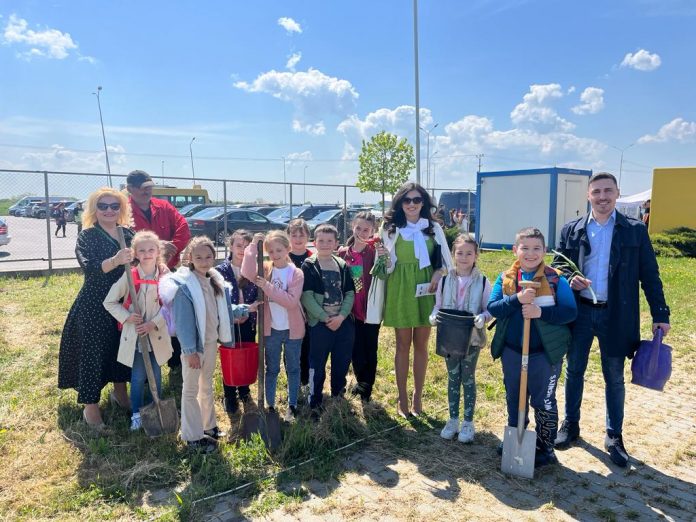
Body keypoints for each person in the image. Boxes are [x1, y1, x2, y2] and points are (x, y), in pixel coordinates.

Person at [553, 172, 670, 467]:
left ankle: (614, 435)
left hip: (616, 314)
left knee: (614, 377)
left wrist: (660, 313)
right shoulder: (572, 229)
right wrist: (569, 277)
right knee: (574, 370)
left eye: (608, 191)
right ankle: (571, 425)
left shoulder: (634, 230)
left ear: (617, 193)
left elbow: (650, 274)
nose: (602, 197)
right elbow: (557, 266)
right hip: (580, 313)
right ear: (588, 196)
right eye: (596, 192)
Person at [488, 227, 577, 468]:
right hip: (512, 351)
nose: (530, 253)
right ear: (515, 250)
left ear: (545, 250)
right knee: (514, 397)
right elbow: (493, 307)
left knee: (543, 400)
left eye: (536, 248)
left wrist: (540, 312)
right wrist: (516, 299)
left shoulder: (556, 279)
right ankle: (515, 437)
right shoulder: (506, 278)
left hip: (543, 354)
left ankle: (545, 447)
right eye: (524, 248)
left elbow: (570, 312)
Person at [159, 237, 254, 451]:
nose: (204, 261)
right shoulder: (184, 286)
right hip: (194, 347)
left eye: (208, 257)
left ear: (214, 257)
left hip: (210, 342)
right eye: (199, 257)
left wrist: (243, 309)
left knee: (206, 384)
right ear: (190, 258)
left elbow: (220, 310)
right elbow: (183, 323)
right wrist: (190, 351)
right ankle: (192, 435)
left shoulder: (214, 280)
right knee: (190, 389)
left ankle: (208, 426)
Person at [58, 187, 134, 428]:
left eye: (114, 206)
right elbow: (89, 268)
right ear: (94, 209)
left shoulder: (128, 234)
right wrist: (116, 260)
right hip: (95, 302)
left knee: (121, 347)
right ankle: (90, 407)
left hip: (123, 300)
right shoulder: (87, 236)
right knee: (93, 351)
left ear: (121, 209)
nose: (109, 210)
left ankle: (120, 393)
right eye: (103, 206)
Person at [381, 181, 452, 418]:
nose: (412, 204)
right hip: (400, 289)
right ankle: (401, 397)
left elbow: (445, 262)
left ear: (424, 203)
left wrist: (438, 273)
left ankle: (417, 396)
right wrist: (384, 259)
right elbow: (386, 266)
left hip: (427, 288)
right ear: (400, 203)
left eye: (417, 200)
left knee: (421, 345)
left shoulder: (433, 228)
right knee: (402, 345)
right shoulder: (390, 228)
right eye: (407, 200)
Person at [103, 231, 172, 431]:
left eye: (151, 250)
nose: (147, 254)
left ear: (158, 251)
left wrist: (153, 323)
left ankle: (155, 409)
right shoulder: (130, 276)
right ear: (135, 253)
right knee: (138, 376)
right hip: (137, 337)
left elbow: (171, 306)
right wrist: (127, 317)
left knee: (156, 374)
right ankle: (136, 413)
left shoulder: (165, 276)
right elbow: (109, 302)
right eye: (142, 250)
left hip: (156, 334)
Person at [126, 170, 191, 373]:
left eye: (150, 187)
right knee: (145, 317)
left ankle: (175, 362)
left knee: (172, 313)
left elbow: (183, 227)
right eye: (142, 188)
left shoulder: (164, 206)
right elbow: (126, 241)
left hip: (167, 270)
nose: (148, 191)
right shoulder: (123, 211)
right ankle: (144, 368)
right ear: (130, 189)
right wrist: (158, 247)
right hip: (140, 274)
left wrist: (172, 247)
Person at [429, 234, 492, 442]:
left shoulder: (483, 282)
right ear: (453, 254)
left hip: (471, 339)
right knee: (453, 377)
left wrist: (483, 317)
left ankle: (468, 422)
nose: (464, 257)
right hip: (449, 338)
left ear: (476, 256)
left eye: (469, 253)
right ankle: (453, 419)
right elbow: (438, 305)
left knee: (468, 377)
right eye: (460, 253)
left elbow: (489, 308)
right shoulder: (445, 280)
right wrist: (434, 315)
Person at [242, 231, 305, 422]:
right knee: (272, 368)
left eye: (279, 250)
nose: (275, 254)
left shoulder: (296, 273)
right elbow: (247, 271)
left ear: (288, 249)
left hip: (292, 330)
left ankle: (292, 405)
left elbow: (291, 302)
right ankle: (270, 405)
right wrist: (253, 245)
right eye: (270, 251)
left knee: (293, 368)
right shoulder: (265, 270)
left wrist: (267, 287)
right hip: (271, 330)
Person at [301, 224, 356, 415]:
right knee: (317, 364)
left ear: (336, 243)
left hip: (342, 322)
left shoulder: (342, 265)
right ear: (314, 242)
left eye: (329, 241)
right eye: (321, 240)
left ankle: (338, 397)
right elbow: (306, 297)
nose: (325, 244)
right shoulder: (309, 266)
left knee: (342, 362)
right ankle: (314, 401)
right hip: (320, 324)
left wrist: (341, 317)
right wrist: (325, 318)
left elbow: (350, 293)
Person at [337, 211, 386, 402]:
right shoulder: (343, 254)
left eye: (366, 230)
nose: (362, 233)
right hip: (351, 311)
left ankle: (367, 387)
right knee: (355, 349)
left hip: (371, 310)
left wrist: (384, 255)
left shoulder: (375, 252)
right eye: (358, 228)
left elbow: (386, 271)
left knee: (370, 348)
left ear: (373, 230)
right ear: (352, 227)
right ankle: (361, 381)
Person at [215, 230, 258, 414]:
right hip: (228, 321)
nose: (242, 250)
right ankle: (230, 395)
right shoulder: (220, 271)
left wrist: (251, 308)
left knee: (245, 355)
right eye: (238, 245)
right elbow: (218, 299)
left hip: (248, 320)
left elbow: (258, 294)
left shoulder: (254, 269)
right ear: (230, 246)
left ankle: (244, 391)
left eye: (246, 247)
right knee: (230, 357)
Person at [287, 218, 313, 391]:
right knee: (291, 348)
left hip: (309, 311)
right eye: (294, 235)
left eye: (301, 235)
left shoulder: (313, 257)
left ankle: (305, 381)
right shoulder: (283, 257)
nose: (297, 239)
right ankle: (292, 383)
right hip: (289, 310)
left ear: (308, 237)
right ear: (288, 236)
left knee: (307, 346)